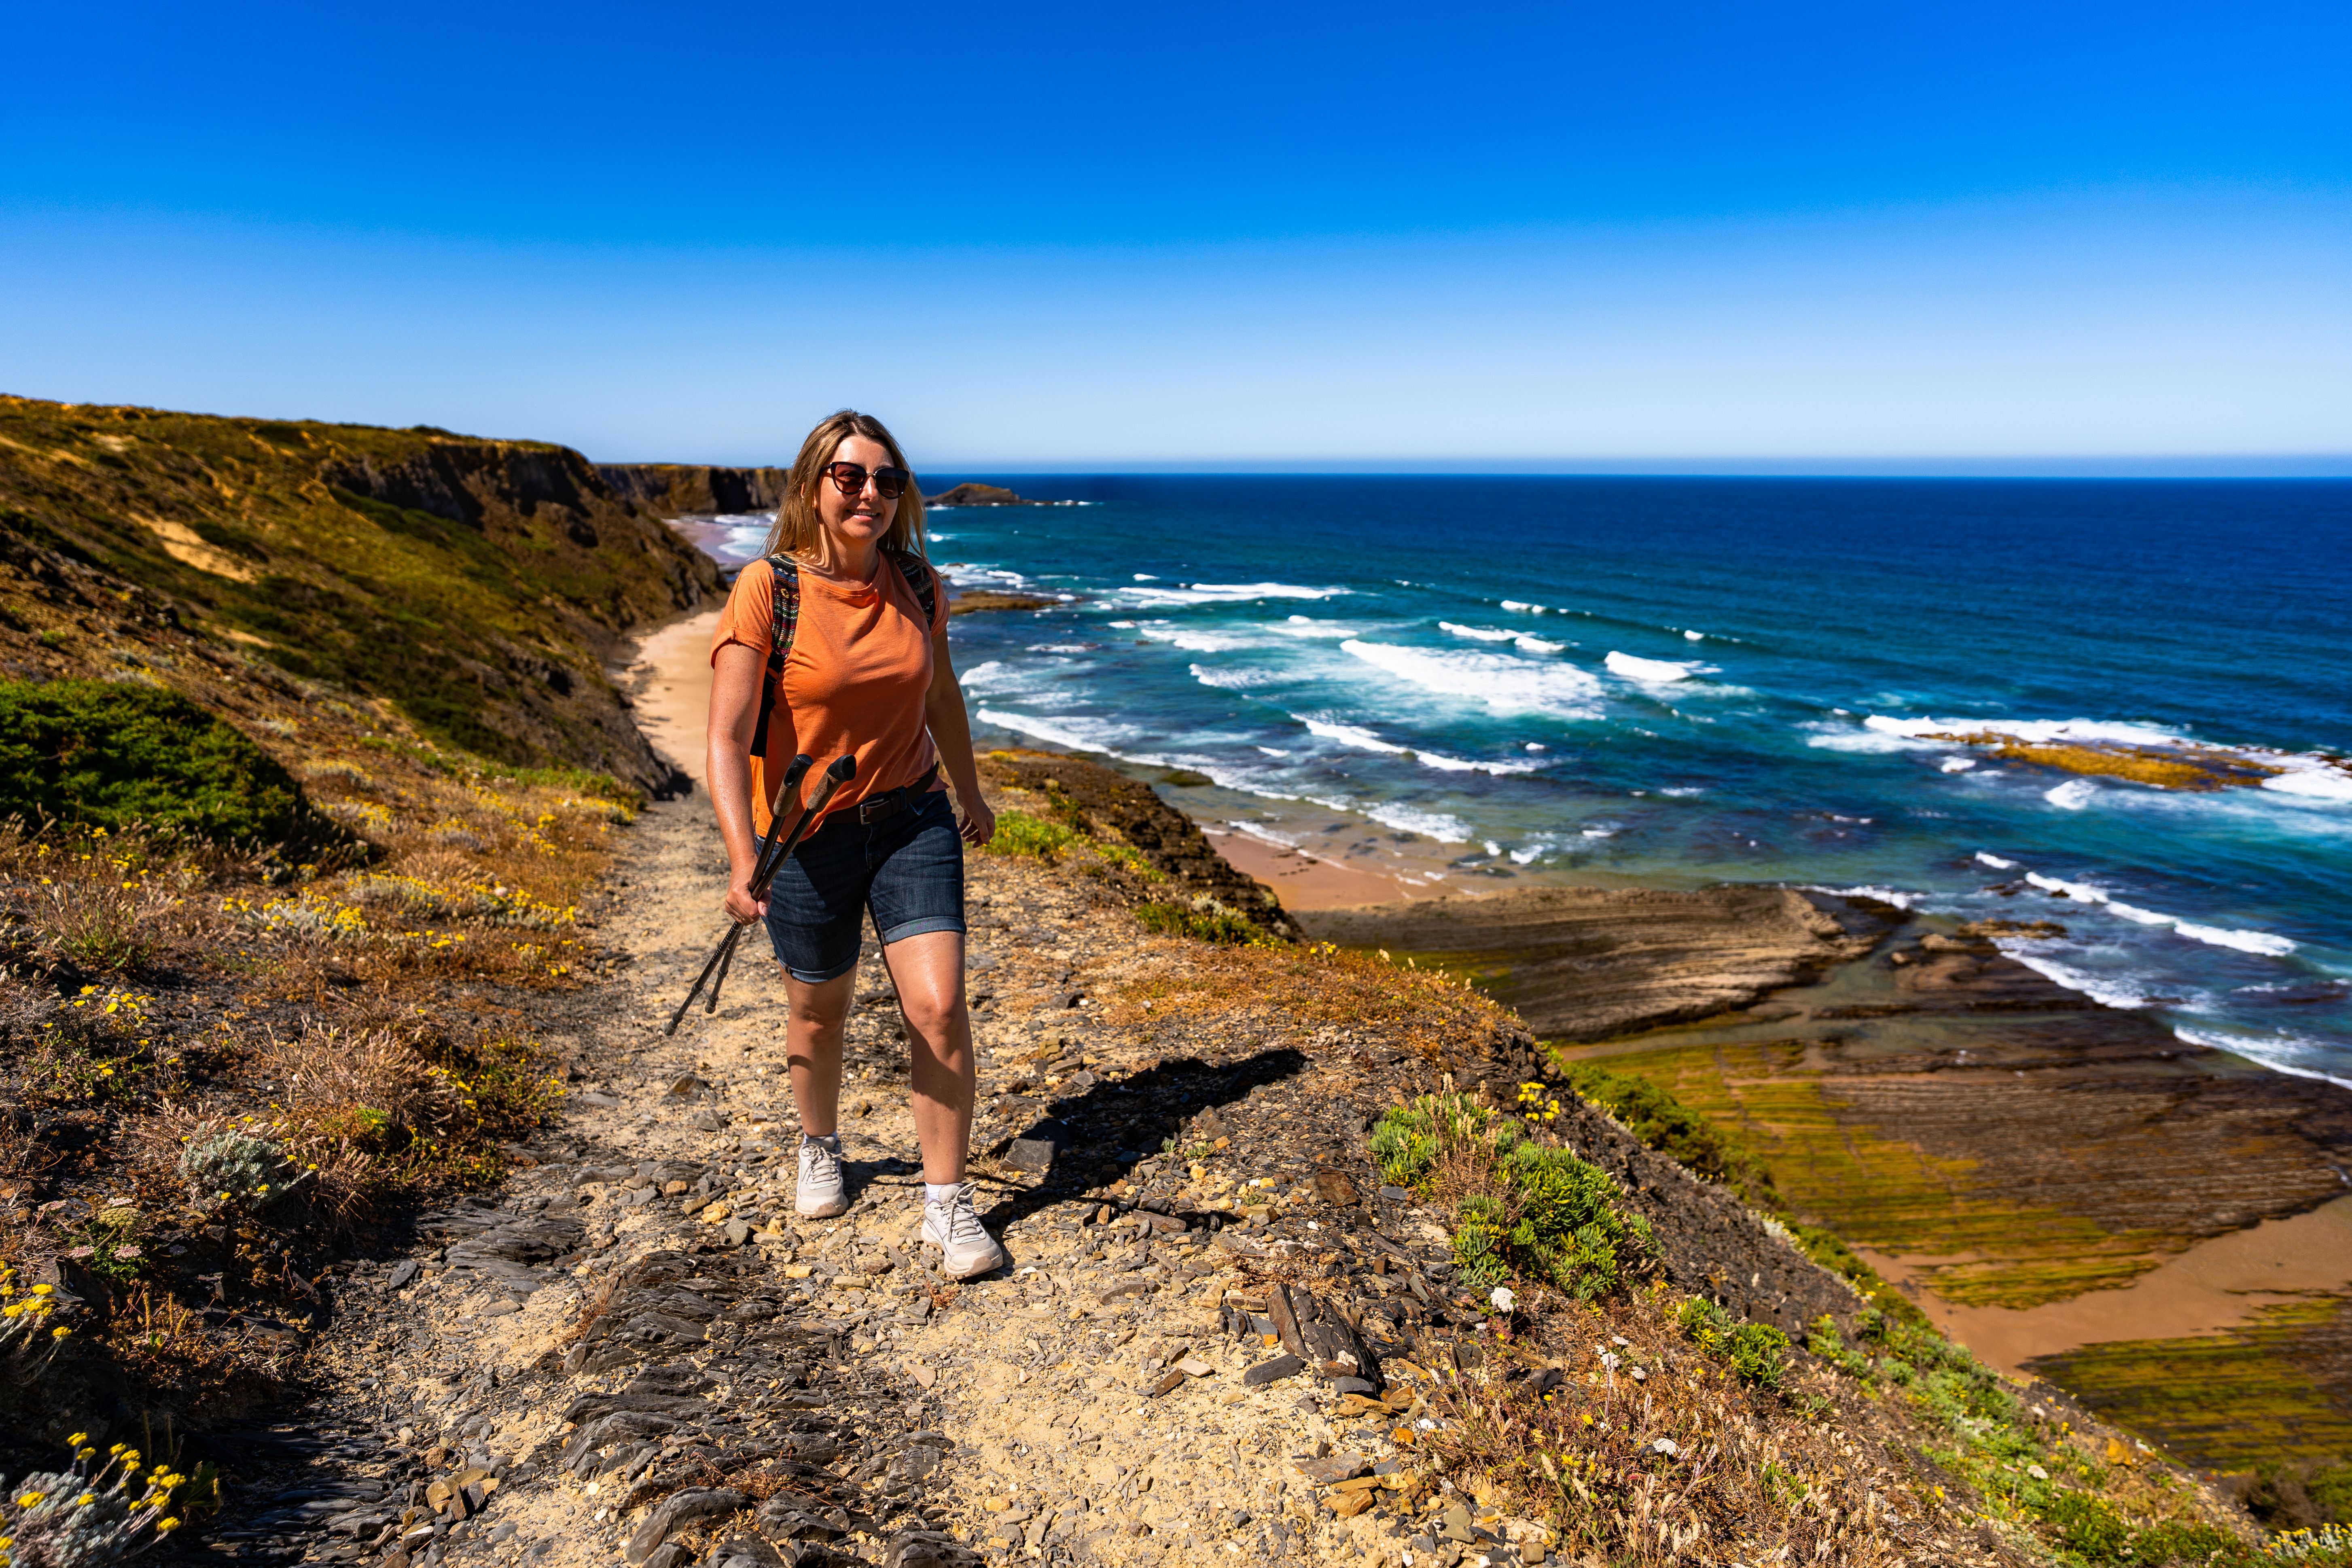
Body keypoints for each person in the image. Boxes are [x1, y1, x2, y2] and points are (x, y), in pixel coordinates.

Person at [704, 409, 1006, 1278]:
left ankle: (947, 1206)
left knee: (939, 1008)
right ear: (813, 489)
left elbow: (940, 693)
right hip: (806, 838)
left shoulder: (918, 581)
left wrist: (971, 792)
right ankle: (819, 1143)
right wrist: (740, 856)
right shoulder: (769, 591)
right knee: (818, 1009)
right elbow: (726, 739)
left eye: (886, 478)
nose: (869, 492)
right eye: (849, 477)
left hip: (913, 820)